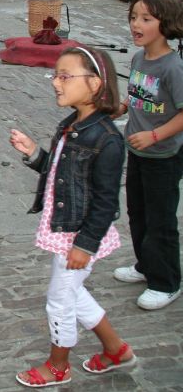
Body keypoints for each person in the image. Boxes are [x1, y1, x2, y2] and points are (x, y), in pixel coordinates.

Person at [10, 47, 136, 388]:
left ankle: (58, 366)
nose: (55, 82)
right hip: (66, 230)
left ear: (95, 84)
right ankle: (116, 349)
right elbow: (59, 171)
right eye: (55, 75)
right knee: (73, 293)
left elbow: (106, 201)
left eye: (65, 76)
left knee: (59, 300)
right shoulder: (72, 125)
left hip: (79, 235)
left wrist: (85, 244)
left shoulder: (107, 139)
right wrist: (35, 153)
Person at [113, 0, 183, 310]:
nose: (135, 24)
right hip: (138, 152)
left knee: (161, 220)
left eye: (145, 19)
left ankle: (166, 282)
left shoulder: (173, 67)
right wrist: (121, 108)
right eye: (133, 17)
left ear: (165, 24)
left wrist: (155, 136)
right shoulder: (139, 58)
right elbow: (138, 95)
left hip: (163, 156)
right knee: (137, 213)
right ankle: (145, 265)